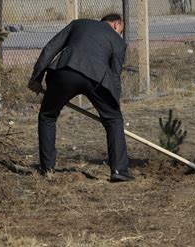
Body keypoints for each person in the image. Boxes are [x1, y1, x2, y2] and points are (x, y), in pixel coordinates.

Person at [28, 14, 135, 182]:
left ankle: (47, 168)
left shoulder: (78, 24)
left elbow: (50, 48)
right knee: (114, 120)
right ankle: (119, 170)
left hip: (65, 72)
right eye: (120, 30)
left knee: (48, 116)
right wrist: (114, 106)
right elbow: (115, 76)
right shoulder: (118, 41)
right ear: (116, 24)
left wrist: (36, 78)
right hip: (97, 80)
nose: (119, 34)